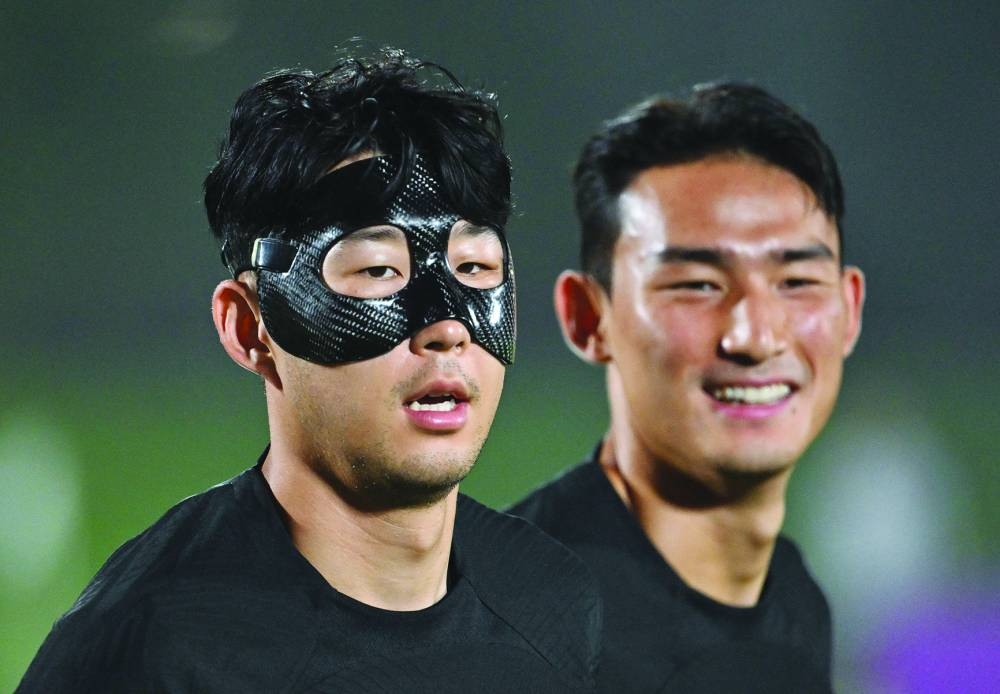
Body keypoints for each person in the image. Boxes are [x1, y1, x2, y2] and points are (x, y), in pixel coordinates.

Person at [19, 49, 600, 693]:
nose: (447, 327)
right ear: (251, 329)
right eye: (378, 271)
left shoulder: (554, 603)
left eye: (474, 268)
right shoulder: (152, 652)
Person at [510, 83, 865, 693]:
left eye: (797, 280)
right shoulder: (508, 620)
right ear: (588, 318)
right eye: (697, 285)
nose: (755, 336)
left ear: (850, 310)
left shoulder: (796, 601)